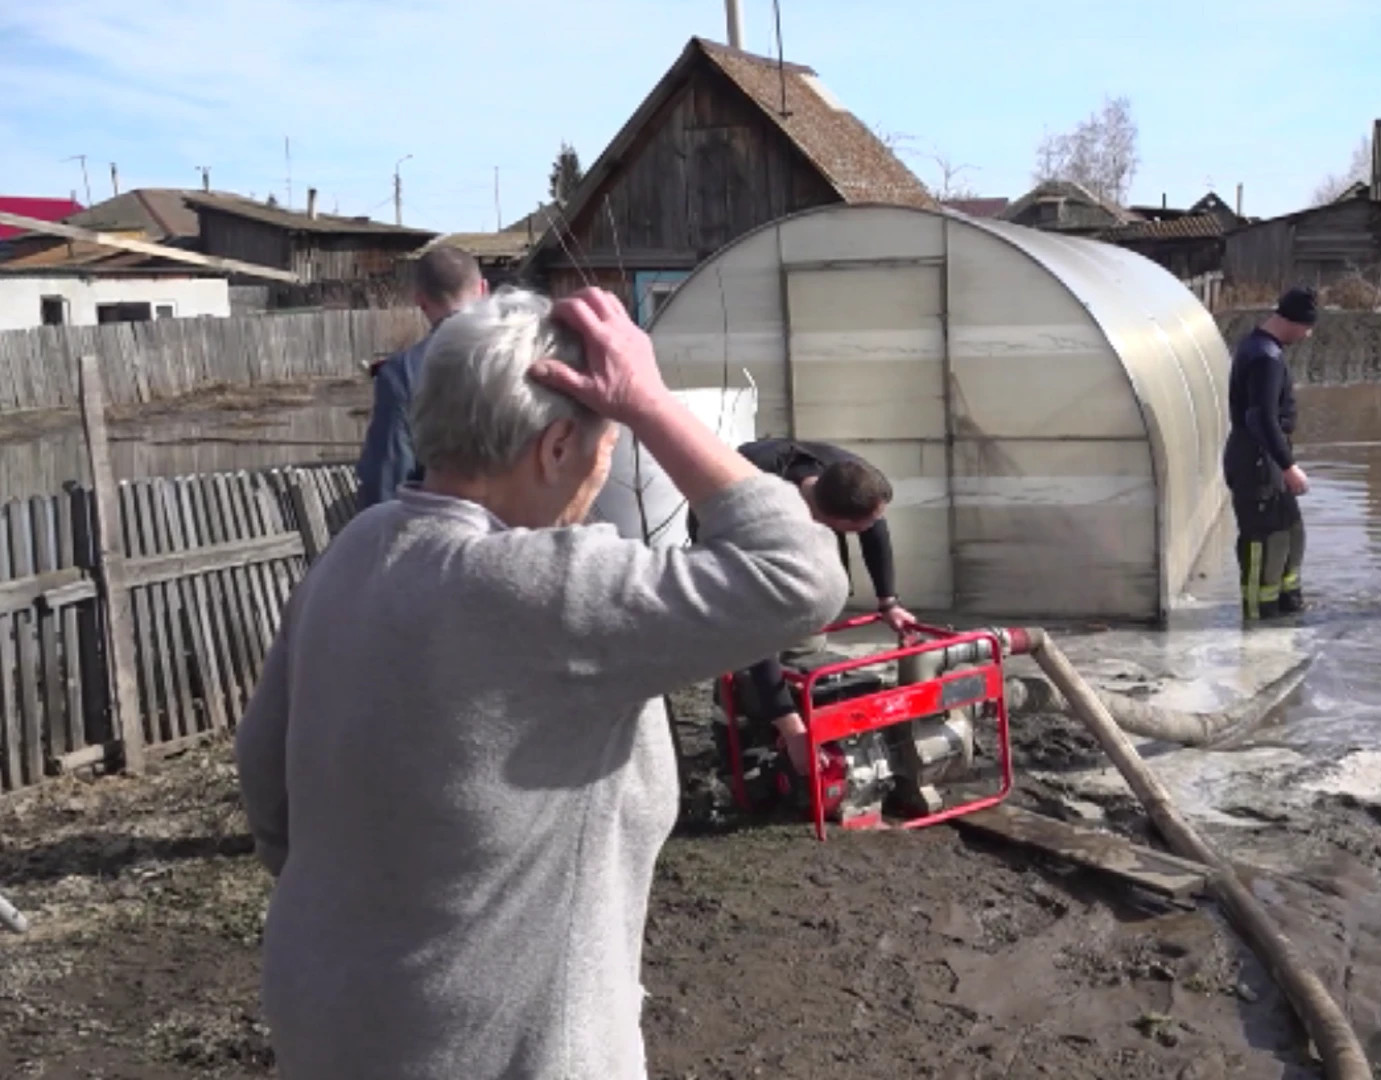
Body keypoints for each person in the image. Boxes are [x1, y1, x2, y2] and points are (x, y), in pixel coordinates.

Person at [235, 286, 848, 1080]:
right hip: (496, 1049)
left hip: (329, 1019)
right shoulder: (545, 588)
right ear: (555, 448)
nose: (605, 465)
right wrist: (650, 401)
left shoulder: (361, 546)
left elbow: (266, 781)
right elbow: (799, 575)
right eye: (607, 445)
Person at [689, 438, 915, 771]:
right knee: (741, 666)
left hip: (794, 519)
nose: (871, 528)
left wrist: (889, 602)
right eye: (860, 526)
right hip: (720, 545)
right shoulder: (751, 520)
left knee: (805, 651)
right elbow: (757, 633)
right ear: (831, 521)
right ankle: (738, 756)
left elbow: (874, 529)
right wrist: (791, 728)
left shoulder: (849, 478)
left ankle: (800, 734)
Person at [354, 245, 489, 510]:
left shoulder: (402, 373)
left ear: (421, 301)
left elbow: (387, 480)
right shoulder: (528, 356)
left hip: (449, 533)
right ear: (483, 289)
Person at [1223, 286, 1317, 621]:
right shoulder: (1265, 357)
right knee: (1263, 541)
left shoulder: (1264, 350)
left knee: (1290, 531)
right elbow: (1260, 417)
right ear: (1291, 321)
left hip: (1266, 459)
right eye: (1307, 327)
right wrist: (1288, 466)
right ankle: (1257, 615)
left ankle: (1287, 604)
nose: (1308, 335)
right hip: (1256, 461)